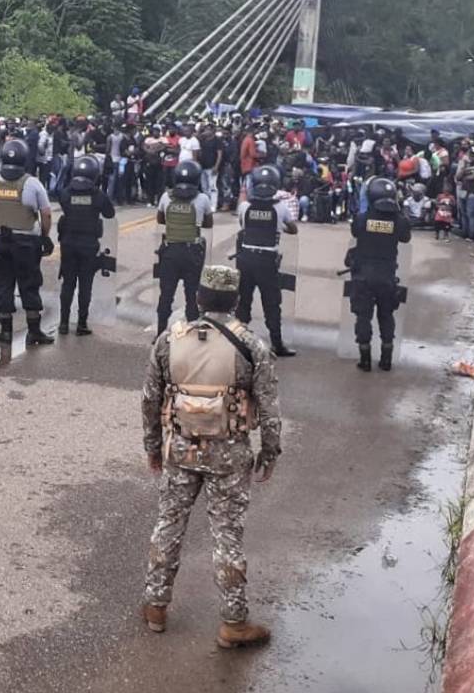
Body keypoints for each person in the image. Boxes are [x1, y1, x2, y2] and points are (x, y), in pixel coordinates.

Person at [140, 265, 281, 648]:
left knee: (169, 524)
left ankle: (156, 606)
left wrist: (153, 448)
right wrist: (269, 452)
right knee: (227, 534)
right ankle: (234, 623)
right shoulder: (251, 345)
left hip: (181, 449)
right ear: (235, 300)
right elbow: (269, 407)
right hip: (230, 455)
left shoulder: (171, 340)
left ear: (198, 298)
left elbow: (151, 400)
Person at [0, 138, 56, 345]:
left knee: (3, 285)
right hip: (26, 243)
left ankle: (6, 331)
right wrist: (45, 236)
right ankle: (34, 331)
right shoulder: (32, 183)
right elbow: (46, 213)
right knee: (29, 285)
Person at [235, 165, 298, 357]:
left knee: (243, 302)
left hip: (245, 258)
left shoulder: (244, 207)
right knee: (271, 304)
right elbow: (293, 229)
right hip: (267, 262)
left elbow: (242, 225)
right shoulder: (281, 208)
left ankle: (238, 342)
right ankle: (277, 344)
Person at [349, 178, 412, 372]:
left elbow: (356, 232)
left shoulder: (362, 219)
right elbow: (405, 237)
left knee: (363, 316)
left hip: (363, 276)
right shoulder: (399, 221)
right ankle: (386, 359)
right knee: (386, 315)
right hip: (387, 276)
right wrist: (398, 210)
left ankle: (365, 358)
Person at [56, 154, 115, 336]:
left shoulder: (66, 193)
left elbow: (63, 204)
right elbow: (109, 214)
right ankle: (81, 324)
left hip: (68, 244)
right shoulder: (98, 195)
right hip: (88, 246)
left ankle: (64, 323)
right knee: (85, 286)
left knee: (68, 284)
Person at [155, 161, 214, 335]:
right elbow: (208, 223)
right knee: (192, 296)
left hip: (170, 252)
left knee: (166, 295)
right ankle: (192, 334)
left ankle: (159, 333)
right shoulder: (202, 199)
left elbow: (160, 219)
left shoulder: (166, 197)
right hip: (192, 253)